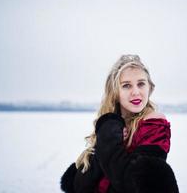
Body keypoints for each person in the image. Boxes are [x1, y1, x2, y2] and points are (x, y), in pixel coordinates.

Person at [60, 55, 179, 193]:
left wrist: (109, 142)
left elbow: (136, 183)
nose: (136, 92)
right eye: (126, 85)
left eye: (141, 84)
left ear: (150, 88)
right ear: (115, 92)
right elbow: (80, 186)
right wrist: (108, 134)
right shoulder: (112, 126)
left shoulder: (153, 124)